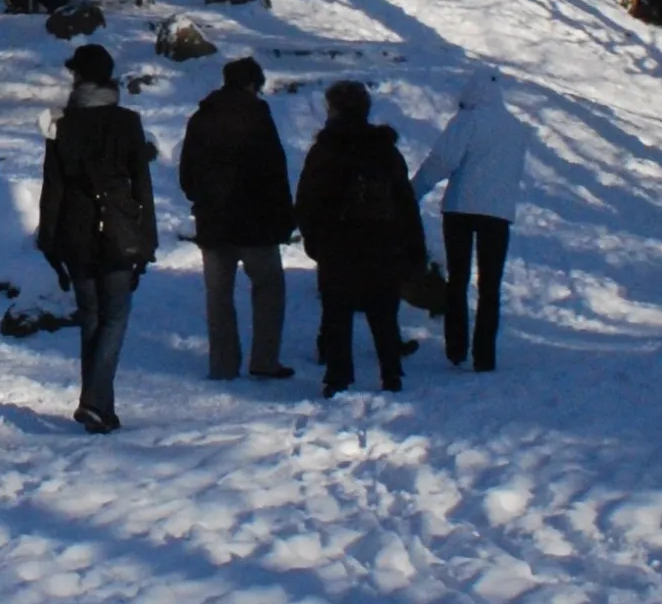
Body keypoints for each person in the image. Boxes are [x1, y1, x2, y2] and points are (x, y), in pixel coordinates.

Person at [35, 44, 157, 432]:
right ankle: (94, 401)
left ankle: (100, 407)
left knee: (92, 318)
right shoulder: (128, 122)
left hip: (74, 230)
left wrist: (49, 240)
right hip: (120, 229)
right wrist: (147, 240)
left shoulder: (61, 124)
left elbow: (51, 188)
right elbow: (143, 185)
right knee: (115, 317)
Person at [293, 80, 426, 399]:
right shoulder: (386, 150)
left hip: (338, 245)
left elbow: (307, 201)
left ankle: (338, 377)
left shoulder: (324, 150)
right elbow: (405, 202)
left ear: (334, 110)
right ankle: (391, 373)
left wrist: (316, 241)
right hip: (384, 243)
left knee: (337, 312)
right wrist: (413, 248)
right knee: (383, 312)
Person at [178, 56, 296, 380]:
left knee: (218, 297)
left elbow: (186, 174)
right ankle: (264, 359)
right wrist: (285, 217)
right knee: (269, 288)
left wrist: (202, 199)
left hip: (213, 222)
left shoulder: (201, 118)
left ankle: (223, 364)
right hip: (256, 223)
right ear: (252, 84)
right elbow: (276, 171)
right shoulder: (258, 117)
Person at [411, 68, 529, 372]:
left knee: (458, 280)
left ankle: (456, 347)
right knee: (490, 285)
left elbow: (442, 161)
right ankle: (485, 355)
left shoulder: (468, 120)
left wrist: (413, 193)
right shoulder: (516, 129)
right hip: (498, 214)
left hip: (460, 209)